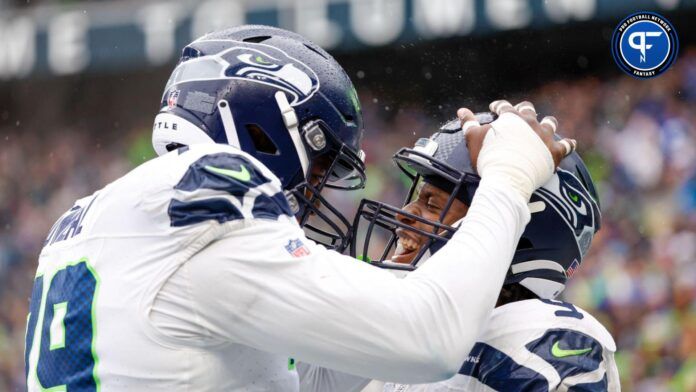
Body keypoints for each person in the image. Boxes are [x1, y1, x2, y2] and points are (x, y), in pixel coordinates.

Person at [23, 25, 575, 391]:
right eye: (319, 163)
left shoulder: (92, 215)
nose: (316, 191)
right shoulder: (209, 190)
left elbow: (316, 372)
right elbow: (428, 340)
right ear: (263, 131)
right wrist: (507, 179)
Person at [317, 106, 618, 391]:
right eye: (417, 197)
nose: (404, 212)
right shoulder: (417, 334)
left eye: (432, 202)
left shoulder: (543, 335)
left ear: (519, 230)